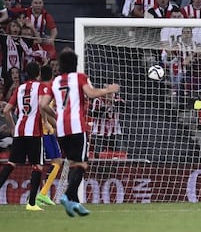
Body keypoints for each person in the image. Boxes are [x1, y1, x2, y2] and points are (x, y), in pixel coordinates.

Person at [40, 50, 120, 217]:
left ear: (60, 65)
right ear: (75, 64)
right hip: (76, 126)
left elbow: (43, 105)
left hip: (61, 128)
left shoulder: (55, 82)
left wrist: (57, 115)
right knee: (82, 164)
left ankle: (74, 203)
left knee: (73, 163)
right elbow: (90, 94)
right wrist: (108, 89)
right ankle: (67, 195)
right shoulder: (79, 77)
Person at [0, 62, 45, 211]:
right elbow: (44, 105)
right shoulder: (41, 87)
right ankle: (31, 203)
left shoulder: (19, 89)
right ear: (38, 73)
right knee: (37, 166)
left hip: (19, 131)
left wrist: (13, 128)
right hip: (34, 132)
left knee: (11, 164)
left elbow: (6, 110)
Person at [35, 65, 62, 206]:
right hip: (44, 131)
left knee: (54, 161)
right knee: (56, 161)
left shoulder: (38, 88)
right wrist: (54, 122)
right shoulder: (46, 89)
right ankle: (42, 193)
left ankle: (42, 193)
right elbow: (42, 108)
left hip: (44, 130)